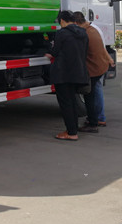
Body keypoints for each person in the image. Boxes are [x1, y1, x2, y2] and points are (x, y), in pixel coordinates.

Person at [44, 10, 89, 141]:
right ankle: (73, 129)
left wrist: (49, 52)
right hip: (78, 72)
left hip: (63, 73)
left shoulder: (62, 33)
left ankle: (71, 132)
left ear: (62, 21)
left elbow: (55, 52)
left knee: (65, 103)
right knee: (72, 101)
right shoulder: (83, 33)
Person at [73, 11, 115, 133]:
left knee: (89, 96)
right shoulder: (93, 29)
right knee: (95, 93)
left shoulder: (84, 34)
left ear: (76, 23)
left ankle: (93, 123)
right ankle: (97, 119)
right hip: (100, 66)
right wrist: (109, 59)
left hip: (93, 69)